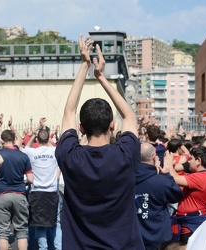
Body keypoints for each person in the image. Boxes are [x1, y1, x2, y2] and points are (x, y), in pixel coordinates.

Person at [54, 35, 144, 249]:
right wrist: (101, 77)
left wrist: (84, 65)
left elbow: (69, 112)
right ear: (112, 125)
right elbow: (130, 117)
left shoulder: (70, 157)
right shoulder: (125, 155)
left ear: (81, 128)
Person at [135, 143, 183, 249]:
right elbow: (177, 194)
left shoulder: (127, 178)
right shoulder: (160, 181)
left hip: (136, 236)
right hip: (159, 237)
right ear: (154, 157)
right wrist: (166, 174)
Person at [161, 147, 206, 244]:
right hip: (190, 220)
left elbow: (174, 178)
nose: (188, 162)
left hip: (192, 223)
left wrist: (169, 164)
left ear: (198, 161)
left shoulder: (200, 177)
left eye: (191, 159)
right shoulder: (203, 175)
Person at [0, 127, 33, 250]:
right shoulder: (23, 156)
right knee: (21, 231)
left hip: (1, 194)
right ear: (14, 139)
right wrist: (22, 182)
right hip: (19, 194)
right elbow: (31, 179)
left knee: (3, 233)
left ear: (2, 140)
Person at [23, 128, 59, 250]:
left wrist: (32, 136)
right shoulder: (55, 151)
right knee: (53, 223)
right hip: (52, 191)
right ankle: (55, 247)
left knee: (40, 225)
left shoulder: (32, 152)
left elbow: (24, 149)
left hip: (37, 192)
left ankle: (43, 248)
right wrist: (48, 140)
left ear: (37, 140)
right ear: (49, 138)